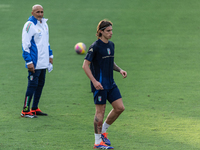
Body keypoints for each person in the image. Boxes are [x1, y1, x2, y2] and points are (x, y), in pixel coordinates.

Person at [82, 20, 127, 149]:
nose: (111, 33)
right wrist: (95, 82)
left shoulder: (111, 45)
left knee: (120, 108)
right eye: (108, 31)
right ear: (100, 32)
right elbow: (85, 65)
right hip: (99, 85)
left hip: (111, 83)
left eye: (111, 30)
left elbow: (110, 62)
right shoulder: (95, 46)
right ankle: (97, 142)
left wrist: (120, 70)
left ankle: (103, 132)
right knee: (100, 112)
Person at [21, 4, 53, 118]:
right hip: (34, 63)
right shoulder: (29, 25)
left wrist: (50, 55)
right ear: (32, 13)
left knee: (40, 85)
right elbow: (25, 45)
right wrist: (29, 61)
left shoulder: (44, 24)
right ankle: (25, 110)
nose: (40, 14)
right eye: (37, 12)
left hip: (43, 63)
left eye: (41, 12)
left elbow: (46, 42)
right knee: (32, 85)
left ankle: (34, 108)